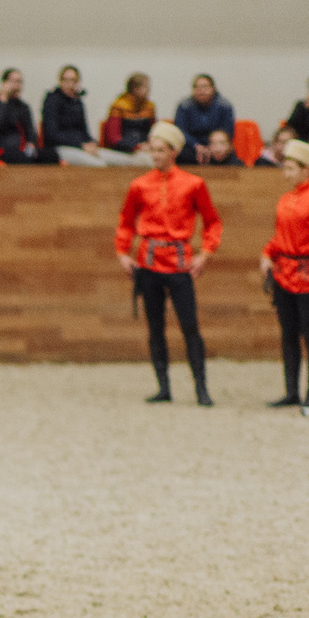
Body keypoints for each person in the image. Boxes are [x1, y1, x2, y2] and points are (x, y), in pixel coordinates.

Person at [115, 121, 221, 406]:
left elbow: (212, 221)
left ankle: (201, 386)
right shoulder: (139, 185)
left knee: (189, 326)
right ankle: (163, 386)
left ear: (173, 152)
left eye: (162, 150)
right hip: (148, 262)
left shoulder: (193, 184)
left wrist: (206, 252)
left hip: (179, 263)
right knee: (155, 326)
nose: (156, 156)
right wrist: (123, 252)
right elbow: (126, 222)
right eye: (153, 150)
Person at [260, 137, 309, 410]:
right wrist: (267, 254)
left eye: (292, 168)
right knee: (288, 332)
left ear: (307, 169)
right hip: (284, 272)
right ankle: (291, 390)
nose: (287, 173)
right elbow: (279, 235)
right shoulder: (285, 199)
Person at [42, 65, 131, 168]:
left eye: (73, 81)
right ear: (60, 81)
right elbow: (52, 134)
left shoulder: (78, 102)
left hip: (82, 146)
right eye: (66, 80)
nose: (70, 84)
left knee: (114, 160)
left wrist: (92, 142)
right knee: (98, 165)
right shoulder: (52, 101)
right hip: (60, 148)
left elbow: (84, 130)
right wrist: (81, 145)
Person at [172, 73, 234, 165]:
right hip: (191, 147)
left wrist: (213, 146)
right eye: (197, 87)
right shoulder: (184, 106)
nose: (201, 91)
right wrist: (196, 146)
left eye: (205, 87)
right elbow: (180, 131)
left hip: (216, 145)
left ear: (213, 89)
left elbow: (227, 131)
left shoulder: (224, 106)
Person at [0, 68, 39, 163]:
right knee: (21, 158)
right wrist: (3, 98)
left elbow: (30, 130)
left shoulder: (23, 106)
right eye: (13, 81)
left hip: (22, 150)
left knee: (50, 156)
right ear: (4, 83)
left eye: (19, 82)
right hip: (1, 149)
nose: (17, 85)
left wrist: (32, 144)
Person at [104, 73, 156, 156]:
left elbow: (154, 132)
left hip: (146, 148)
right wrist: (136, 147)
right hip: (125, 150)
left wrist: (152, 145)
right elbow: (114, 138)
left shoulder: (149, 106)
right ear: (135, 89)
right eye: (146, 87)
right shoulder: (119, 106)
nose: (149, 90)